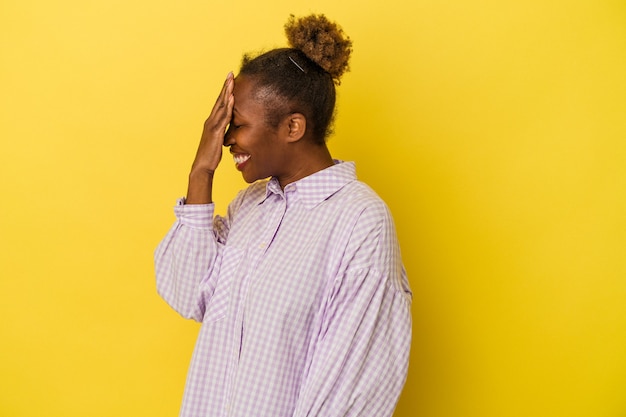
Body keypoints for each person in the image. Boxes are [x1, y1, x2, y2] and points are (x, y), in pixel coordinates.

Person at [154, 14, 412, 417]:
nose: (224, 139)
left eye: (236, 124)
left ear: (293, 127)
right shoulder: (249, 207)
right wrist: (200, 172)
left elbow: (349, 387)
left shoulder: (360, 222)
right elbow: (187, 291)